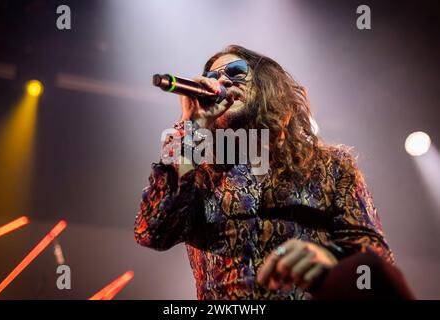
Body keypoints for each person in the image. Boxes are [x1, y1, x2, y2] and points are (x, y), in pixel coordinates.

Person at [134, 45, 398, 300]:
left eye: (235, 72)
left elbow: (375, 257)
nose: (222, 81)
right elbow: (152, 232)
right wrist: (191, 125)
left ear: (267, 85)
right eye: (213, 77)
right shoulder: (198, 173)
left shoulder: (329, 165)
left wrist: (330, 256)